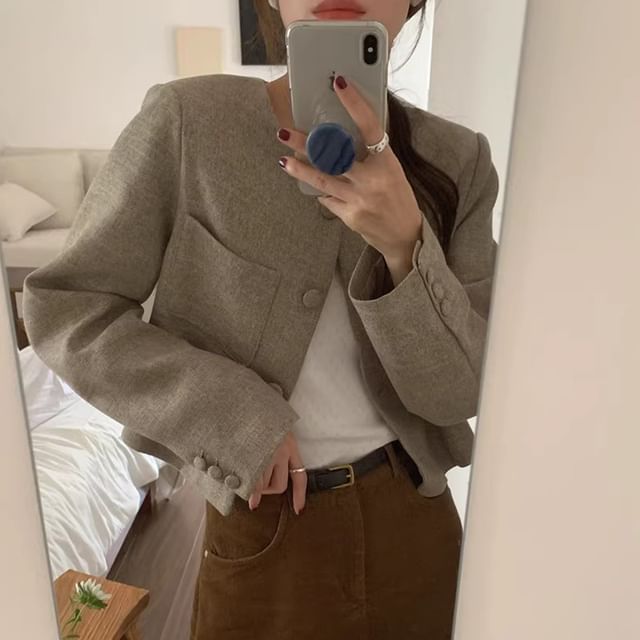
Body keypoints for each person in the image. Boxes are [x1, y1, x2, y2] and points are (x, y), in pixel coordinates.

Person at [22, 1, 500, 638]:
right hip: (263, 523)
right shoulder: (189, 122)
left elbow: (457, 394)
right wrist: (234, 417)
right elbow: (68, 305)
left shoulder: (458, 159)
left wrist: (404, 245)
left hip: (417, 524)